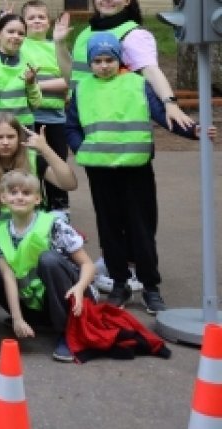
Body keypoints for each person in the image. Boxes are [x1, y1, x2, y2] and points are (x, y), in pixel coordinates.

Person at [66, 32, 215, 313]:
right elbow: (71, 126)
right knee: (109, 230)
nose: (103, 65)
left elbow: (162, 114)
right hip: (100, 172)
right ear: (90, 63)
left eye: (109, 59)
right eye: (97, 60)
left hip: (136, 170)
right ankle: (119, 284)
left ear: (119, 59)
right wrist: (81, 148)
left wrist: (193, 131)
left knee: (141, 230)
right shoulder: (82, 89)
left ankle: (150, 287)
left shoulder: (137, 84)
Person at [55, 0, 194, 133]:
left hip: (116, 118)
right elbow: (72, 77)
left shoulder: (134, 34)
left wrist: (170, 103)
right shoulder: (86, 33)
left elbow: (151, 71)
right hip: (85, 114)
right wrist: (59, 43)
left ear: (128, 0)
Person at [0, 170, 95, 363]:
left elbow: (88, 264)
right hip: (35, 301)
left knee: (49, 259)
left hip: (72, 297)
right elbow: (8, 278)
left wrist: (80, 288)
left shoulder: (53, 224)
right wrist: (17, 318)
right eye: (13, 192)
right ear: (3, 198)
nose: (20, 197)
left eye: (26, 193)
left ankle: (66, 332)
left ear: (37, 199)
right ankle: (32, 320)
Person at [0, 113, 77, 230]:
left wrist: (46, 149)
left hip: (32, 229)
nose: (5, 142)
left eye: (11, 136)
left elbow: (70, 184)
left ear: (19, 138)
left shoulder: (32, 158)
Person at [17, 0, 71, 210]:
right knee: (31, 167)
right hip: (28, 118)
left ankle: (60, 211)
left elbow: (69, 81)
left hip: (56, 119)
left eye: (41, 17)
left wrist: (36, 83)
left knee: (57, 164)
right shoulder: (20, 46)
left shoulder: (57, 47)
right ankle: (32, 211)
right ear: (24, 22)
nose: (37, 21)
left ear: (48, 22)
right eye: (31, 17)